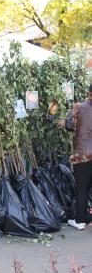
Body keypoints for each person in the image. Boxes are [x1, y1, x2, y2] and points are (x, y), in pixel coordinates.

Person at [57, 83, 92, 230]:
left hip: (83, 154)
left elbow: (71, 124)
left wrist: (64, 123)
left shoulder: (79, 107)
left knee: (82, 188)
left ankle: (80, 221)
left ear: (89, 92)